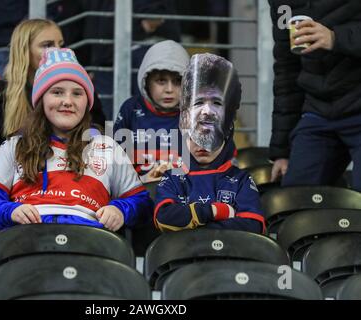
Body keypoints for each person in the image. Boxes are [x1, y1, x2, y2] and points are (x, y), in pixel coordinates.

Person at [0, 48, 152, 231]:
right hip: (26, 241)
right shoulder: (15, 145)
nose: (67, 101)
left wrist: (120, 210)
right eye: (57, 92)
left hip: (89, 244)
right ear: (41, 100)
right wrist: (10, 211)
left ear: (87, 102)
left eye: (77, 93)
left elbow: (142, 202)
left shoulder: (106, 147)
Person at [0, 19, 106, 189]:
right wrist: (20, 166)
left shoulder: (82, 93)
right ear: (24, 52)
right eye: (47, 45)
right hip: (15, 198)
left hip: (73, 193)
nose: (57, 51)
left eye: (61, 44)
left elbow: (100, 142)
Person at [153, 53, 265, 233]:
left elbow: (252, 226)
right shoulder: (173, 177)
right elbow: (164, 219)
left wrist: (193, 224)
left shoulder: (240, 180)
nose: (202, 146)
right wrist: (214, 211)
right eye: (194, 138)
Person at [268, 0, 361, 192]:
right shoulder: (282, 4)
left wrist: (336, 38)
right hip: (318, 112)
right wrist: (282, 152)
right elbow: (287, 71)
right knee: (293, 201)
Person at [113, 40, 189, 183]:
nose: (169, 89)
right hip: (137, 190)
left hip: (182, 195)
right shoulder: (131, 109)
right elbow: (116, 163)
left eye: (178, 81)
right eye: (161, 81)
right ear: (146, 81)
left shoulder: (194, 114)